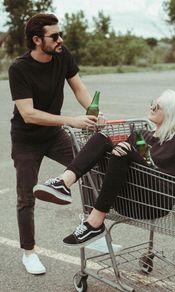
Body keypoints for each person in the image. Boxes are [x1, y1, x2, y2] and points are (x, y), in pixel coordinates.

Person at [33, 89, 175, 247]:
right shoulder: (142, 134)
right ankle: (63, 182)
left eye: (157, 106)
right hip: (128, 200)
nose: (151, 107)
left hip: (156, 202)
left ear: (171, 112)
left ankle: (94, 222)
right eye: (152, 102)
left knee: (123, 150)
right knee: (102, 139)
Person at [8, 13, 103, 275]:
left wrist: (94, 112)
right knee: (26, 197)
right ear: (37, 40)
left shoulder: (62, 55)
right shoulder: (19, 69)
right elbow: (29, 114)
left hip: (54, 136)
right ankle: (29, 253)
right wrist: (72, 120)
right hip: (27, 140)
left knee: (92, 167)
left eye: (60, 34)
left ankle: (91, 225)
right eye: (54, 36)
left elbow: (79, 88)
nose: (60, 39)